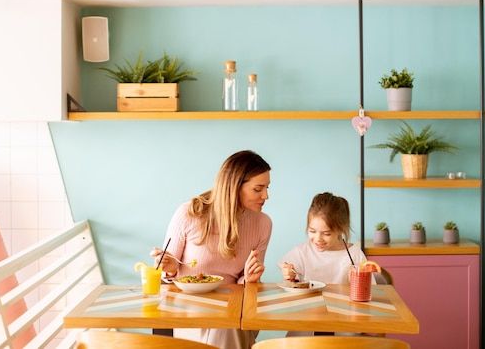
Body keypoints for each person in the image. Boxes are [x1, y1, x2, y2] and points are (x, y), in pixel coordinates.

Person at [150, 150, 272, 349]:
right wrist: (170, 268)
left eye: (267, 188)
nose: (266, 196)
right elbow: (165, 277)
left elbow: (247, 284)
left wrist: (250, 278)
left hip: (234, 308)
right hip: (188, 309)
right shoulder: (189, 213)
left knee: (226, 325)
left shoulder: (263, 223)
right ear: (234, 187)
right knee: (223, 328)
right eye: (258, 189)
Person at [278, 192, 371, 337]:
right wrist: (288, 273)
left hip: (343, 326)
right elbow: (287, 269)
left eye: (326, 233)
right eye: (312, 231)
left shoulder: (354, 255)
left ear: (341, 229)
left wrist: (356, 282)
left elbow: (370, 292)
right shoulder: (303, 251)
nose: (318, 239)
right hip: (307, 325)